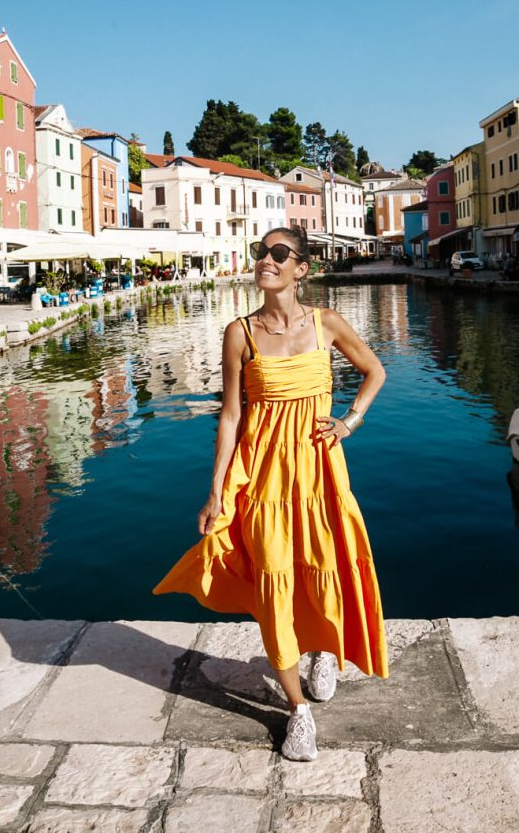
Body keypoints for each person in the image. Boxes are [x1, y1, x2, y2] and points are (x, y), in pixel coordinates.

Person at [153, 226, 388, 762]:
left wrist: (349, 422)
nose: (267, 259)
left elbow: (374, 371)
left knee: (325, 567)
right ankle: (297, 709)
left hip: (321, 476)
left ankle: (325, 648)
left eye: (279, 253)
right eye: (262, 252)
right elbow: (231, 416)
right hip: (261, 482)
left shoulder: (327, 323)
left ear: (301, 268)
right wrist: (216, 491)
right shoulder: (241, 333)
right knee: (275, 587)